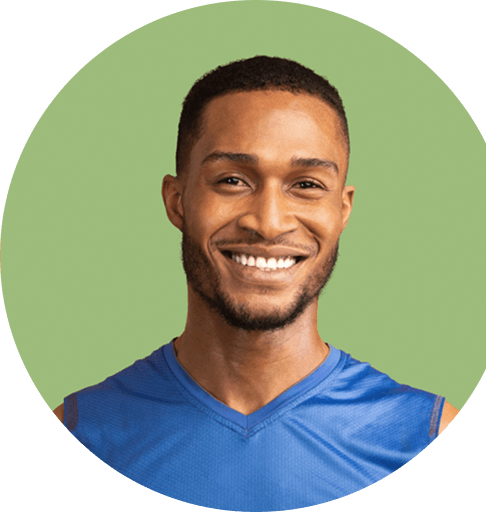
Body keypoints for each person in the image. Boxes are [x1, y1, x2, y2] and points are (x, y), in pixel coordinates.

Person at [53, 55, 459, 509]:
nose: (268, 223)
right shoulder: (82, 431)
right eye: (232, 180)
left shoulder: (424, 434)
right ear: (177, 201)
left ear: (342, 210)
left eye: (306, 185)